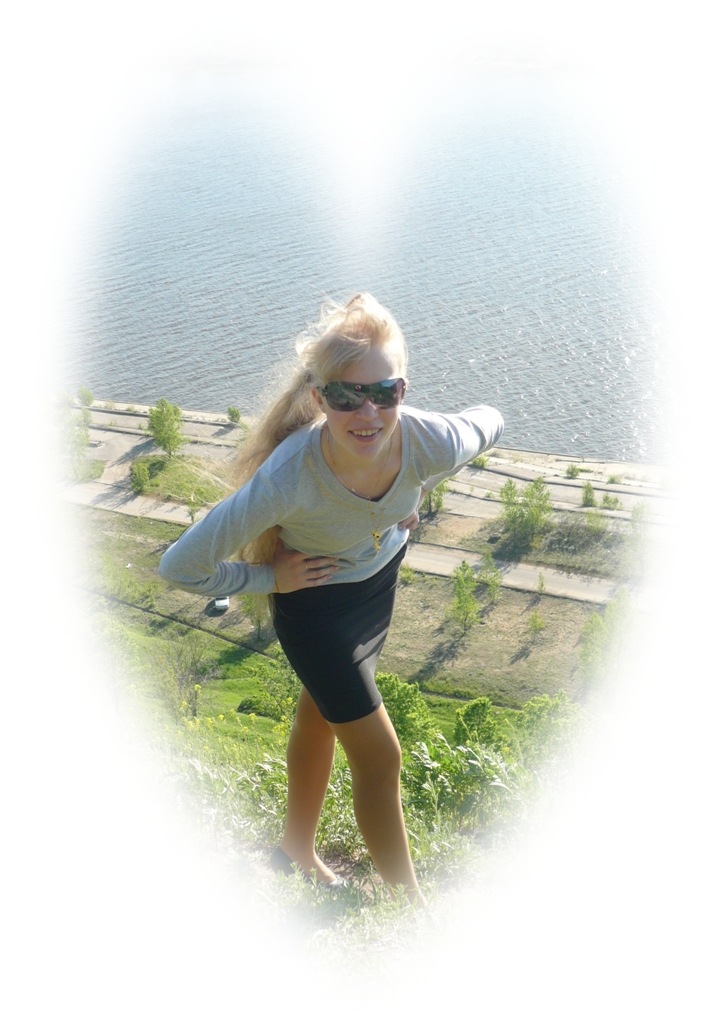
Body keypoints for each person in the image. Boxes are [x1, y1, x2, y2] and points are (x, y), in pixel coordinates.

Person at [159, 293, 504, 904]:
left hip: (377, 586)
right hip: (315, 609)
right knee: (381, 758)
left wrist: (417, 490)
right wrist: (269, 580)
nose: (367, 412)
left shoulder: (431, 440)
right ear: (319, 399)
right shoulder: (288, 477)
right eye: (346, 396)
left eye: (384, 392)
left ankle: (294, 849)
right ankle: (407, 908)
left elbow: (491, 419)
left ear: (403, 390)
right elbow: (180, 566)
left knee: (320, 713)